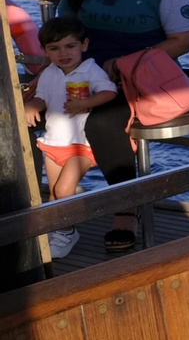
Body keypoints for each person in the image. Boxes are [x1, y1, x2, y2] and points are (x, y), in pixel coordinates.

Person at [57, 0, 189, 252]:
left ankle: (125, 207)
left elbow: (182, 41)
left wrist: (121, 65)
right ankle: (52, 203)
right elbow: (65, 25)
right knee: (31, 110)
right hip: (80, 75)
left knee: (103, 124)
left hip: (135, 81)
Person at [22, 17, 119, 258]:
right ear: (45, 51)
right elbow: (42, 96)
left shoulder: (90, 70)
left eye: (70, 46)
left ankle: (67, 231)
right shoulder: (49, 73)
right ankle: (57, 229)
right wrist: (32, 105)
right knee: (54, 192)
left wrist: (86, 103)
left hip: (80, 143)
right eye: (54, 48)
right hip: (54, 140)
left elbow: (109, 91)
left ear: (84, 45)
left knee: (65, 190)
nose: (63, 53)